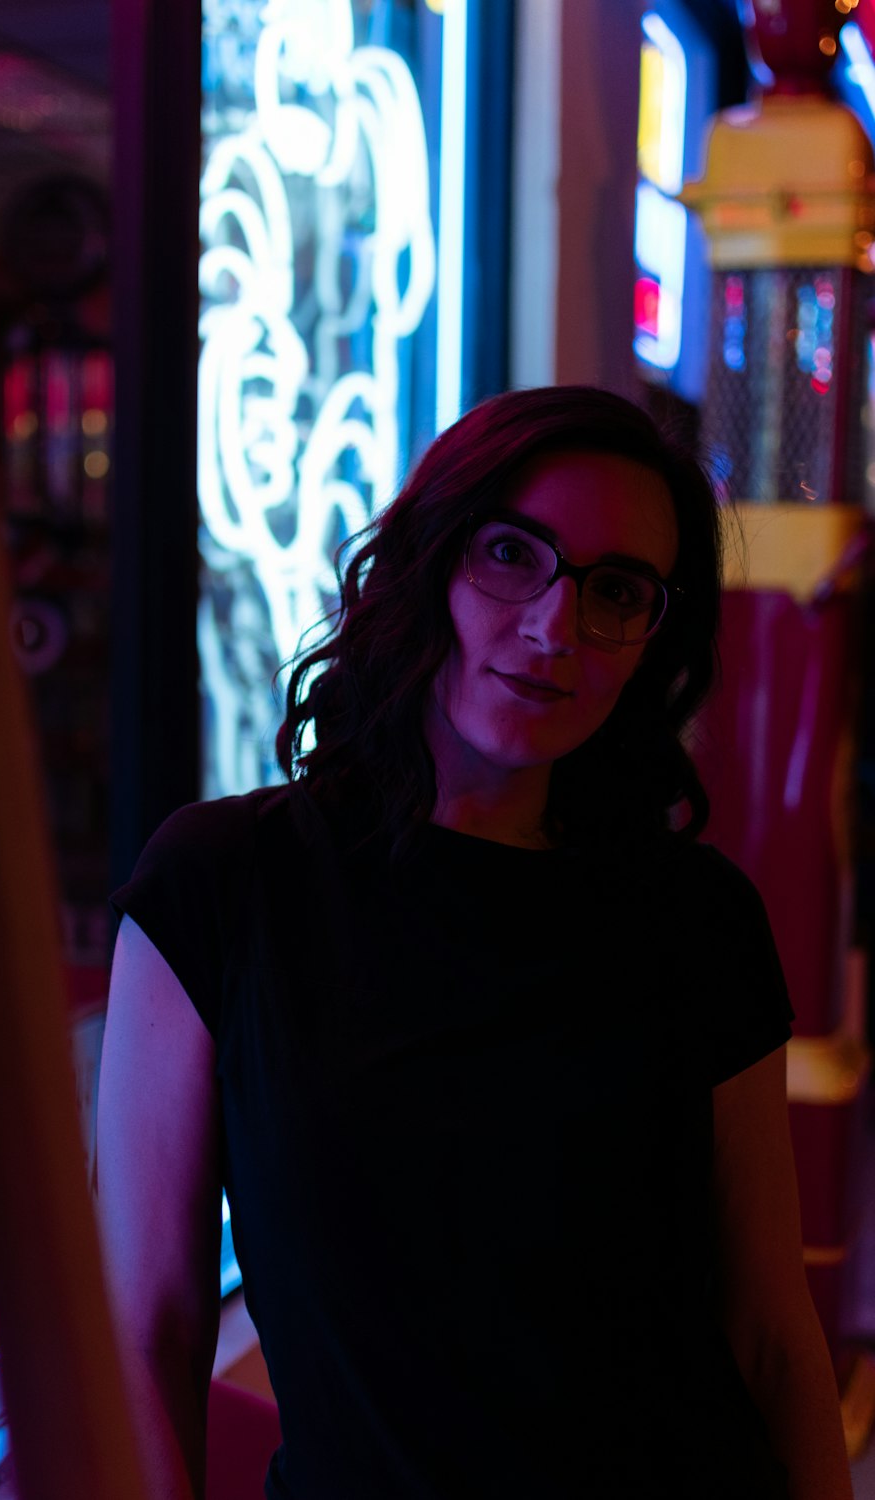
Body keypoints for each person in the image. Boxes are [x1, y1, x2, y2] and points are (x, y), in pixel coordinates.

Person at [95, 386, 854, 1500]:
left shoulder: (697, 918)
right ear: (430, 564)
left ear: (653, 637)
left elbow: (770, 1336)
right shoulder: (223, 885)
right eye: (511, 554)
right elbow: (144, 1325)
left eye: (615, 591)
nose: (555, 627)